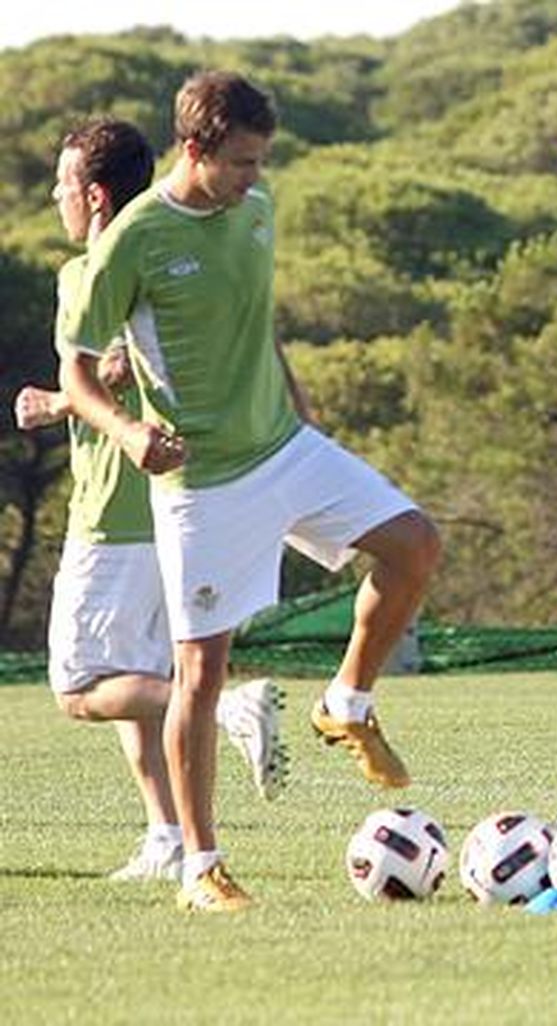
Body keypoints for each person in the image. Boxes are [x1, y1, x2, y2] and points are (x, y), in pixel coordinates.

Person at [58, 72, 443, 912]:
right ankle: (200, 869)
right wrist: (129, 433)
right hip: (203, 483)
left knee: (415, 545)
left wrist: (303, 418)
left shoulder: (258, 210)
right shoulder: (133, 240)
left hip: (286, 449)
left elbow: (255, 326)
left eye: (261, 160)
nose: (254, 177)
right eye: (240, 161)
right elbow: (77, 375)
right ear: (193, 149)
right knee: (201, 677)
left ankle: (346, 704)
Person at [13, 118, 287, 883]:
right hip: (184, 502)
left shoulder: (92, 269)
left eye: (64, 185)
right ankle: (166, 837)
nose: (57, 197)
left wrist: (53, 403)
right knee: (132, 677)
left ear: (97, 196)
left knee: (79, 688)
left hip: (114, 514)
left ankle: (227, 707)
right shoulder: (181, 252)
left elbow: (106, 370)